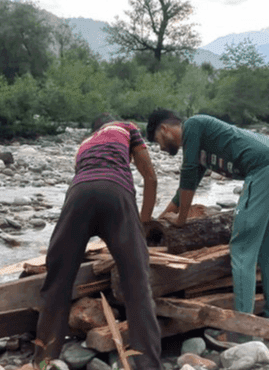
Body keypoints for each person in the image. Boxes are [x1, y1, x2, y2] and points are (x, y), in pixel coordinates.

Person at [22, 119, 162, 370]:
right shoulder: (127, 127)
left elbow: (84, 180)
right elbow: (149, 177)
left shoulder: (84, 144)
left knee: (57, 284)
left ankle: (42, 362)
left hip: (77, 197)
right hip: (116, 192)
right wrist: (142, 224)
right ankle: (148, 365)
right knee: (137, 286)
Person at [146, 110, 269, 326]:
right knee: (268, 247)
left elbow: (187, 174)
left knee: (242, 249)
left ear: (164, 129)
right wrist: (158, 222)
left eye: (158, 141)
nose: (160, 146)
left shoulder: (193, 126)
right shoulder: (199, 148)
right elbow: (184, 191)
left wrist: (180, 220)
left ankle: (242, 328)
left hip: (265, 168)